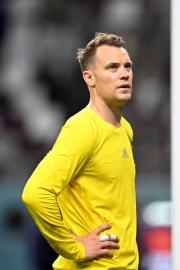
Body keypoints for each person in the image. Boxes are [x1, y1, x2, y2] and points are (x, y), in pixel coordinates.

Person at [22, 32, 138, 269]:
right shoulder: (83, 128)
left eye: (127, 66)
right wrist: (74, 247)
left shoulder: (124, 128)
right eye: (113, 68)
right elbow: (35, 192)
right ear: (90, 78)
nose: (124, 74)